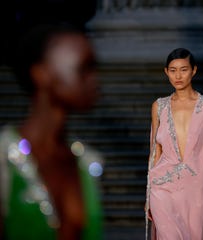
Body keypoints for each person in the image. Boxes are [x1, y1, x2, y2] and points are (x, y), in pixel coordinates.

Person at [0, 23, 104, 240]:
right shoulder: (4, 159)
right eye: (84, 68)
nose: (95, 80)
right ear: (42, 73)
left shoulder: (85, 162)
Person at [144, 47, 203, 239]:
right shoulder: (158, 107)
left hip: (197, 187)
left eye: (183, 69)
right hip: (162, 187)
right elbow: (155, 152)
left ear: (193, 70)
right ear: (166, 72)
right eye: (172, 70)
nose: (177, 75)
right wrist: (148, 194)